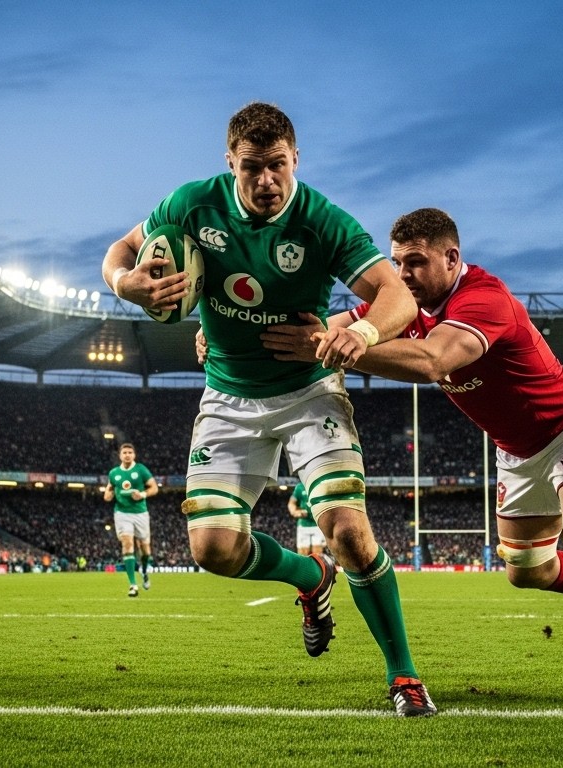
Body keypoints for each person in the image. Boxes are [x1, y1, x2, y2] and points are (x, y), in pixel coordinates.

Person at [260, 207, 563, 709]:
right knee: (526, 570)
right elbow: (327, 326)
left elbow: (433, 361)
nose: (403, 275)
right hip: (515, 450)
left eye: (416, 262)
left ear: (452, 257)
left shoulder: (482, 298)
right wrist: (236, 341)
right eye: (397, 263)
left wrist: (330, 348)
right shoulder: (404, 303)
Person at [102, 102, 434, 717]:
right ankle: (309, 580)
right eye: (251, 167)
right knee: (213, 550)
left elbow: (397, 298)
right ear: (230, 162)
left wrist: (360, 337)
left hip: (309, 390)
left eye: (277, 166)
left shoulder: (321, 220)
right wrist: (129, 285)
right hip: (228, 395)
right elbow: (118, 253)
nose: (266, 182)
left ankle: (404, 676)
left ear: (296, 160)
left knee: (350, 533)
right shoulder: (190, 205)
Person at [104, 443, 157, 597]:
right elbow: (109, 490)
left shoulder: (141, 470)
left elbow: (154, 488)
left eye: (130, 452)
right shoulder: (114, 473)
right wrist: (108, 495)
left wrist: (143, 495)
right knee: (127, 544)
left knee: (145, 550)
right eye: (124, 452)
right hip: (122, 513)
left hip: (140, 513)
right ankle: (133, 585)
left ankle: (145, 571)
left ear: (134, 455)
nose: (127, 455)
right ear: (120, 455)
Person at [289, 483, 325, 556]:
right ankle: (303, 567)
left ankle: (316, 567)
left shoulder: (319, 484)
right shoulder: (300, 487)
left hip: (317, 524)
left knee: (317, 553)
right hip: (303, 524)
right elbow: (291, 503)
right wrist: (295, 512)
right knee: (303, 552)